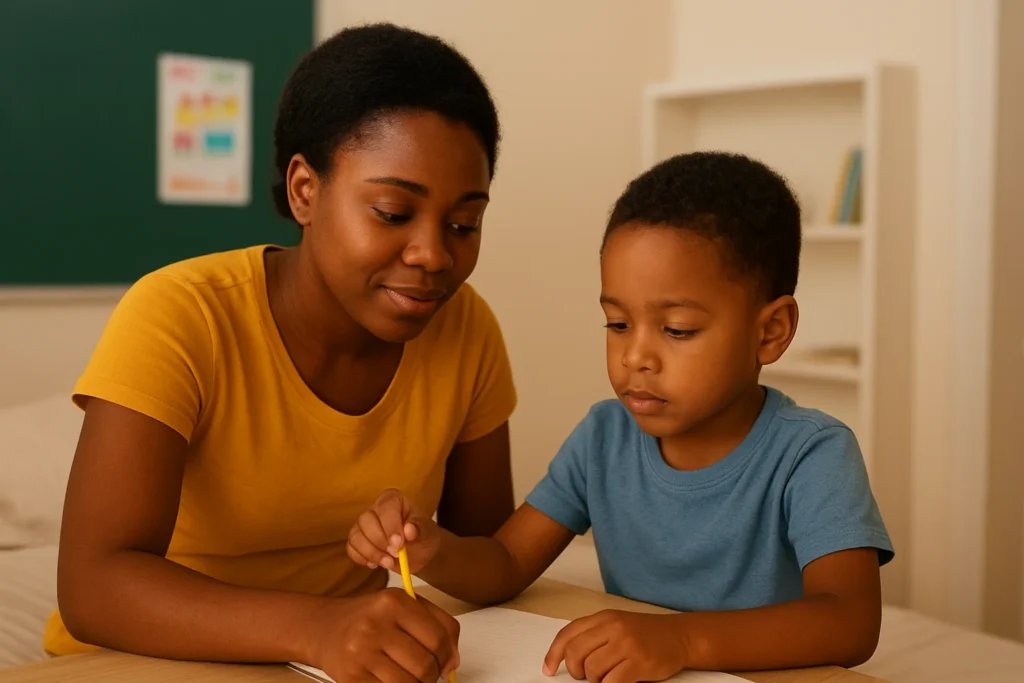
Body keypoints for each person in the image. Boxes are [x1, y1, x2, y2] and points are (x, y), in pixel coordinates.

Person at [47, 23, 517, 683]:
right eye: (391, 212)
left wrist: (432, 553)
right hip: (141, 658)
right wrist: (319, 626)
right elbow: (95, 583)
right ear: (304, 190)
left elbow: (492, 555)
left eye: (464, 224)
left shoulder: (467, 331)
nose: (435, 255)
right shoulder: (181, 315)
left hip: (331, 662)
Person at [350, 152, 895, 682]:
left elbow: (849, 622)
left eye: (677, 329)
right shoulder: (603, 438)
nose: (636, 356)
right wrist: (432, 548)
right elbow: (506, 564)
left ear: (770, 331)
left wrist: (680, 640)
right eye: (617, 324)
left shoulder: (811, 453)